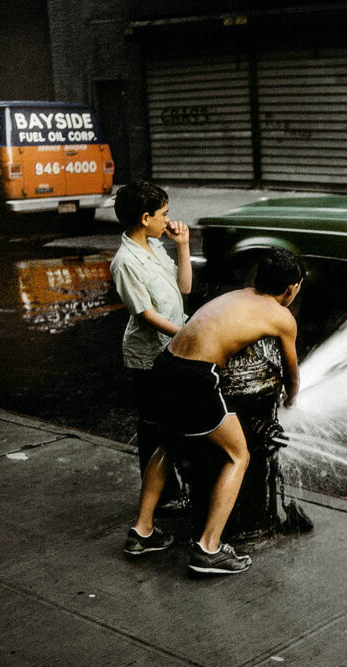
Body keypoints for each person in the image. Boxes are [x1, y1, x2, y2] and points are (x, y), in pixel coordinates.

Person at [123, 247, 304, 575]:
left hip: (165, 365)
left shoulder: (240, 294)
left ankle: (142, 531)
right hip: (197, 378)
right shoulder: (282, 317)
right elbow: (291, 373)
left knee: (169, 443)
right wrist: (291, 400)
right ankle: (209, 549)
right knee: (239, 455)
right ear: (291, 288)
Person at [109, 181, 192, 501]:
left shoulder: (155, 246)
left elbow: (184, 289)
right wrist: (186, 335)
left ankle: (174, 487)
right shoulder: (125, 262)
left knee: (174, 423)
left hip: (172, 346)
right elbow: (145, 314)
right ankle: (164, 497)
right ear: (145, 218)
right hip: (149, 356)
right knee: (155, 429)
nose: (168, 220)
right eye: (163, 214)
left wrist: (183, 246)